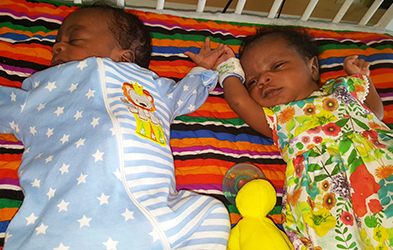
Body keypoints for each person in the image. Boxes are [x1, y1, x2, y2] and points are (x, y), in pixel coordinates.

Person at [1, 4, 230, 250]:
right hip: (63, 219)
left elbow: (184, 95)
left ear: (124, 58)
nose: (57, 46)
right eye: (57, 41)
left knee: (210, 213)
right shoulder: (41, 91)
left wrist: (203, 70)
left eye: (74, 39)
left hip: (152, 215)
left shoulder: (150, 86)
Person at [210, 26, 393, 249]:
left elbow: (375, 114)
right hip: (327, 197)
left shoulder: (342, 88)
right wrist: (226, 68)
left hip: (383, 167)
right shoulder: (278, 117)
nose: (263, 80)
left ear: (313, 67)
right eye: (252, 81)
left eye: (277, 66)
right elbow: (239, 101)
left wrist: (362, 77)